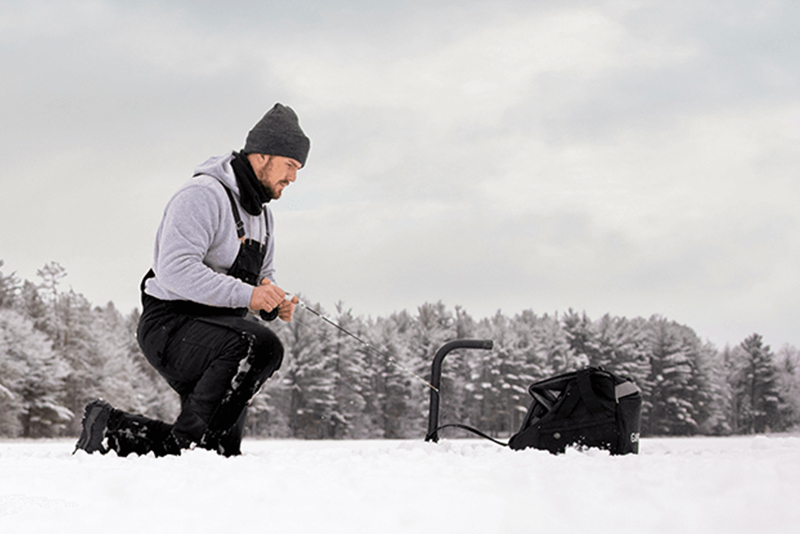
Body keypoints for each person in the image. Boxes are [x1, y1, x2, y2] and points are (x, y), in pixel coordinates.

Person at [74, 103, 310, 457]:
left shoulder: (264, 217)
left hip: (220, 332)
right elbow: (175, 269)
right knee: (260, 347)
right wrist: (249, 297)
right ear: (262, 156)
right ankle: (181, 445)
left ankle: (111, 429)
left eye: (298, 169)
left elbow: (262, 277)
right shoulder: (203, 195)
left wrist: (272, 302)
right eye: (290, 165)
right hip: (171, 325)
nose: (293, 177)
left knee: (216, 448)